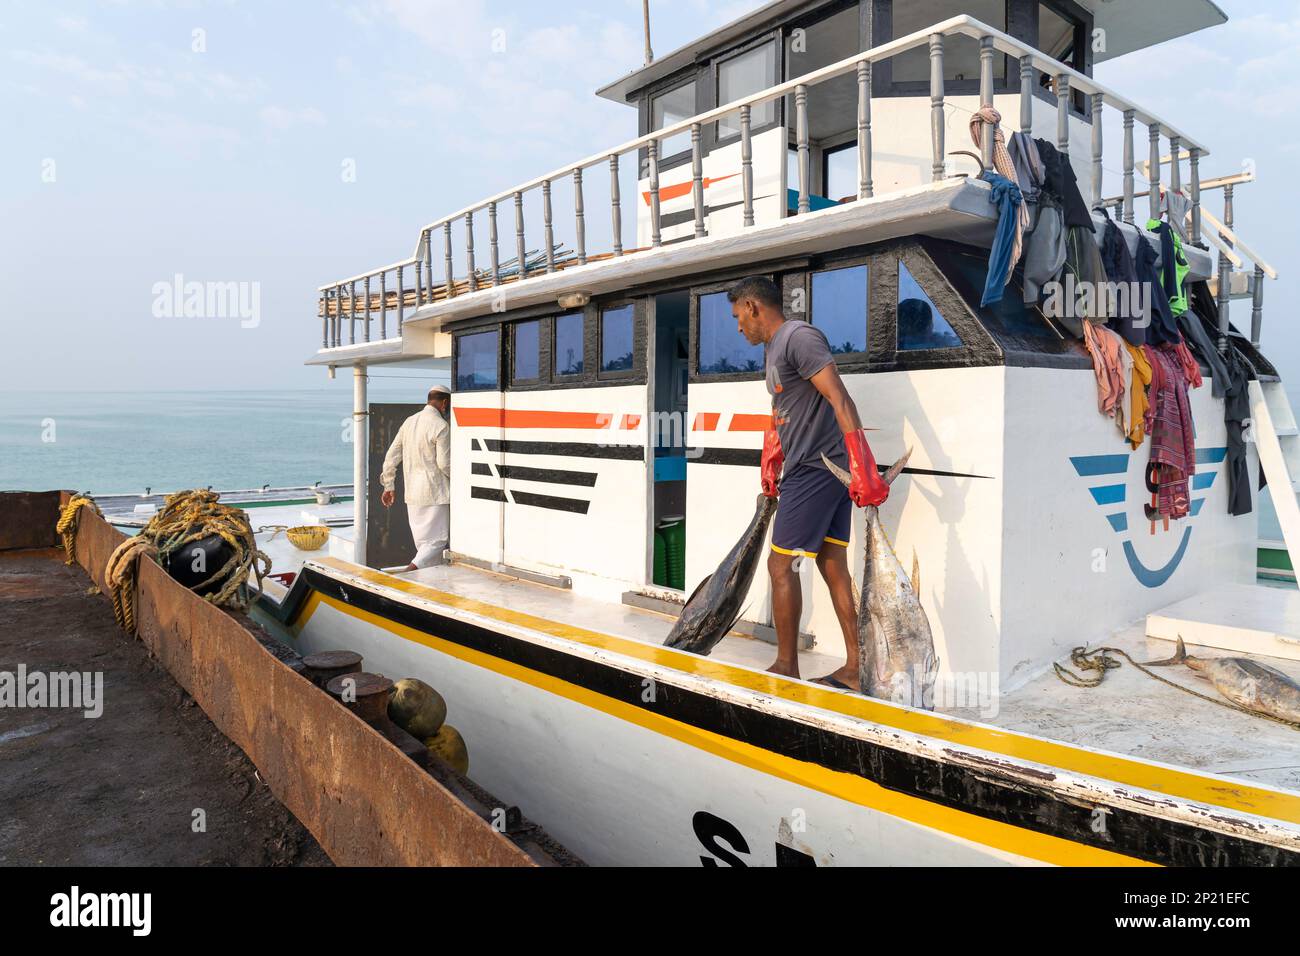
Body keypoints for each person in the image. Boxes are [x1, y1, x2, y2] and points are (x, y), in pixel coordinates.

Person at [728, 276, 889, 688]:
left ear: (752, 306)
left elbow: (840, 398)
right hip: (813, 467)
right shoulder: (772, 349)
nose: (738, 327)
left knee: (780, 565)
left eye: (737, 318)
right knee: (832, 564)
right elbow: (783, 406)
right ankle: (857, 668)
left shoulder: (799, 337)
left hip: (816, 470)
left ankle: (786, 665)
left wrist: (862, 464)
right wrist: (771, 454)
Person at [381, 384, 451, 571]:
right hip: (435, 493)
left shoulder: (409, 422)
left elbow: (391, 457)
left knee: (424, 545)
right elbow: (445, 464)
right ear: (444, 403)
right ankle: (408, 571)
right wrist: (461, 480)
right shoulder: (441, 426)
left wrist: (389, 486)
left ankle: (430, 584)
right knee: (437, 542)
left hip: (412, 495)